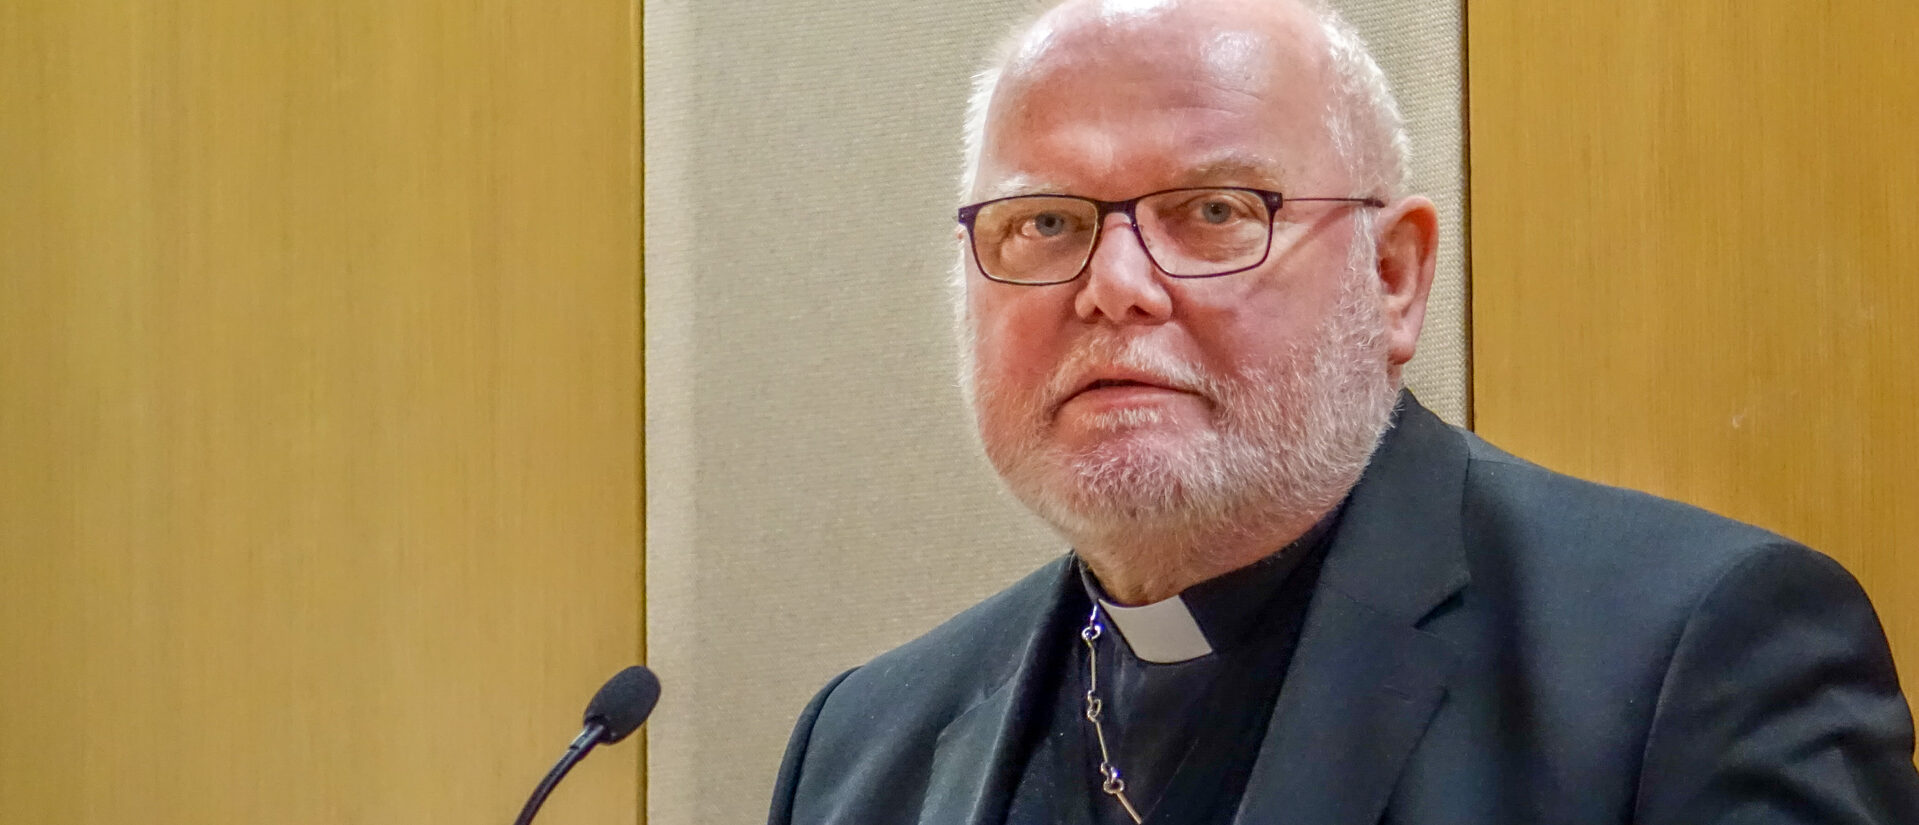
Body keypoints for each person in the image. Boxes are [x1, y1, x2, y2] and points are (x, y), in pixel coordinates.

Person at [766, 0, 1919, 822]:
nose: (1112, 285)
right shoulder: (863, 747)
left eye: (1212, 210)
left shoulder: (1689, 660)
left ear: (1392, 277)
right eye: (1046, 225)